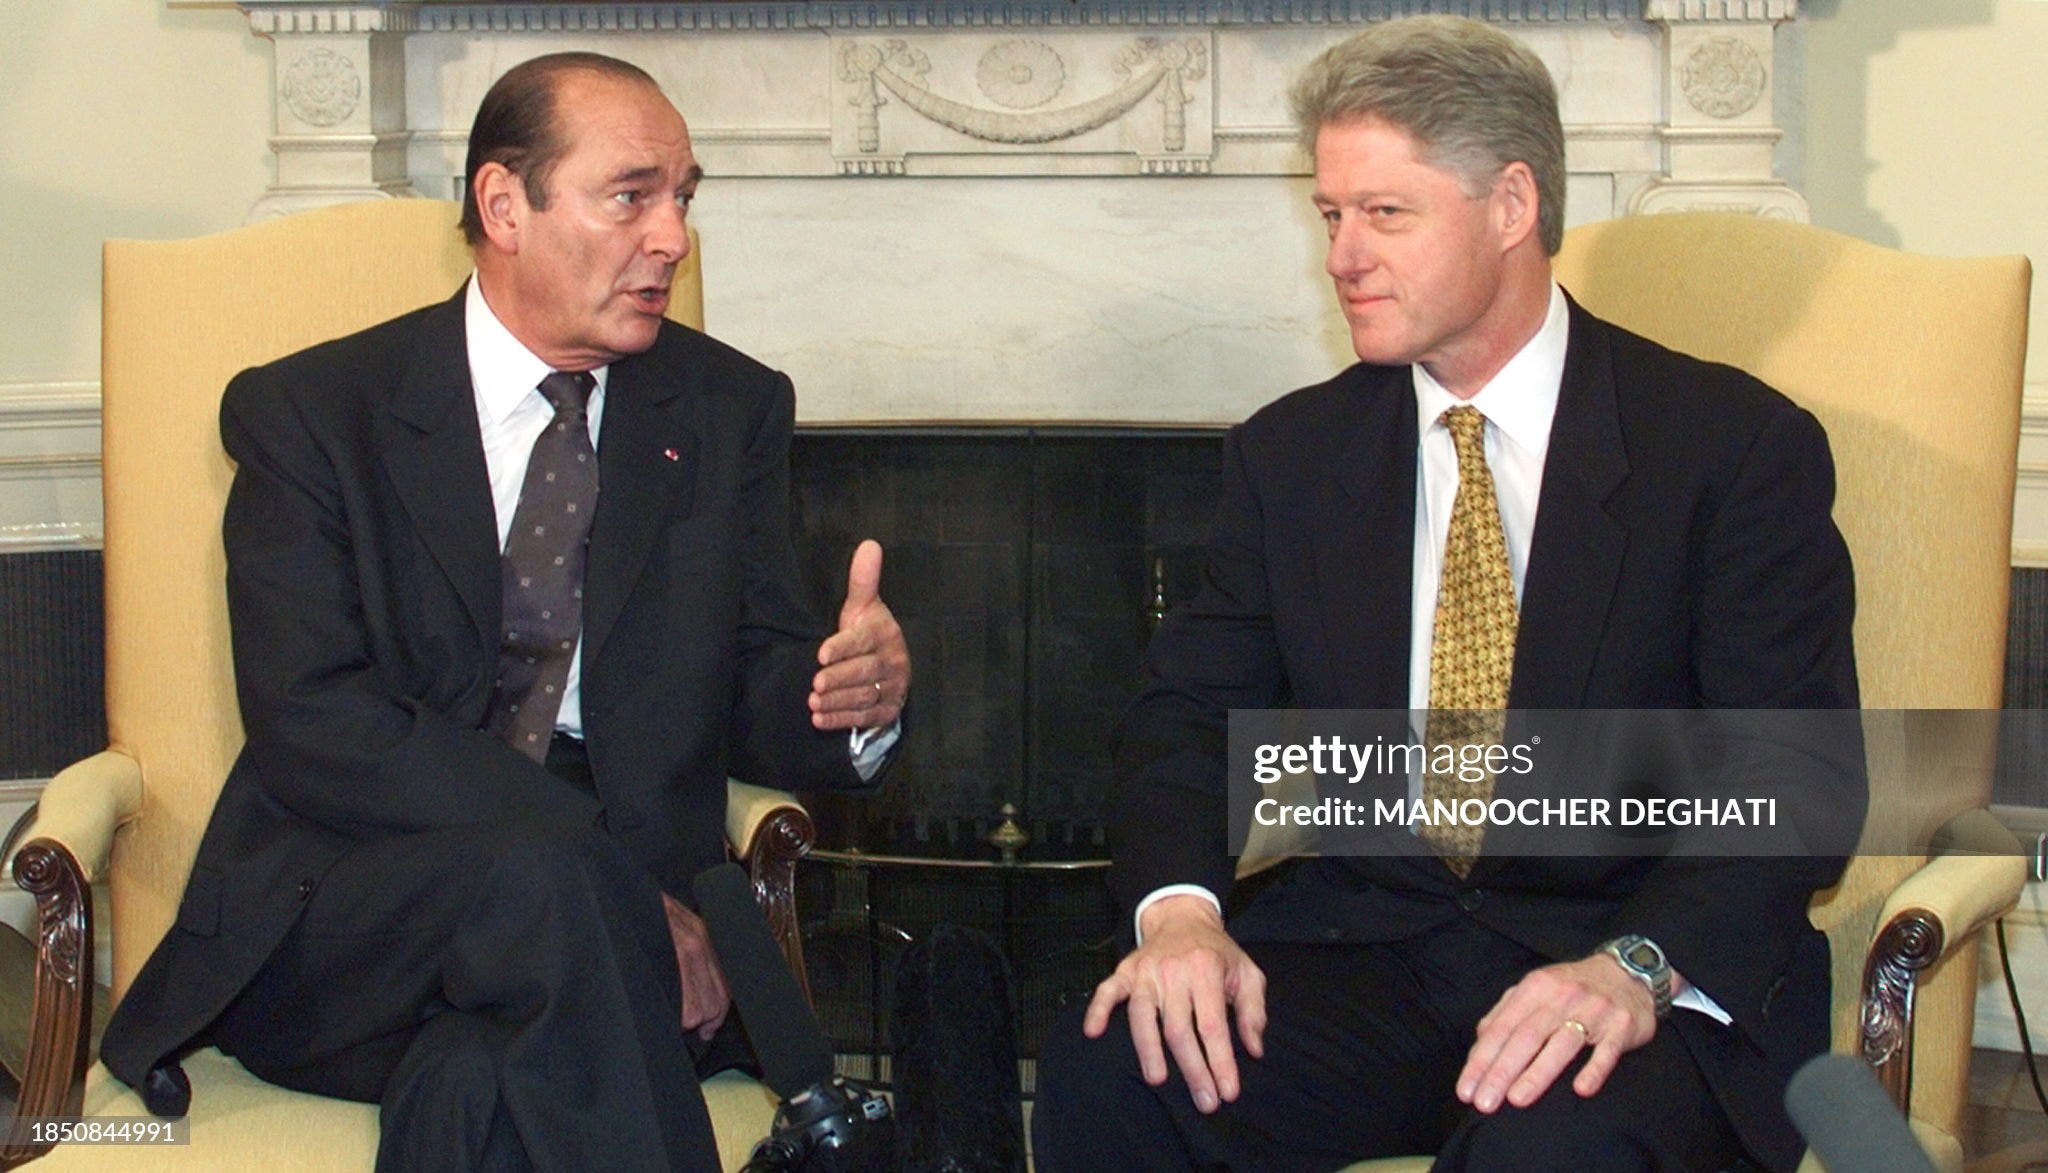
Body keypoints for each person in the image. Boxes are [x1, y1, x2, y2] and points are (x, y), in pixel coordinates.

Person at [1033, 16, 1858, 1172]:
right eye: (1329, 214)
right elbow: (1188, 717)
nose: (1341, 256)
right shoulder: (1291, 456)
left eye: (1384, 213)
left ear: (1510, 205)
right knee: (1114, 1065)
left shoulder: (1727, 448)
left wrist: (1634, 966)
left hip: (1628, 965)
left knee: (1548, 1154)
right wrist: (1179, 914)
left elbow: (1793, 775)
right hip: (1375, 950)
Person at [97, 52, 910, 1171]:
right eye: (630, 196)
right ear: (502, 204)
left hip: (573, 957)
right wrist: (617, 888)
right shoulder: (315, 414)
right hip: (355, 916)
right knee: (548, 889)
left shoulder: (727, 408)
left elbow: (751, 680)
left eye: (683, 197)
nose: (672, 237)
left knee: (474, 1084)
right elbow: (313, 720)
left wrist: (849, 702)